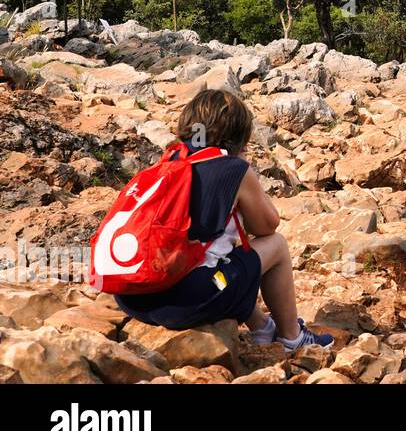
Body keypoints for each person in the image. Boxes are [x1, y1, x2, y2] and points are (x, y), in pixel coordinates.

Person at [115, 90, 334, 352]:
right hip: (184, 303)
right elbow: (267, 226)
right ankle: (291, 337)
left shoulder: (169, 161)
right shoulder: (232, 168)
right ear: (239, 135)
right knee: (275, 246)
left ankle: (262, 327)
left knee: (221, 256)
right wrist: (245, 171)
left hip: (133, 297)